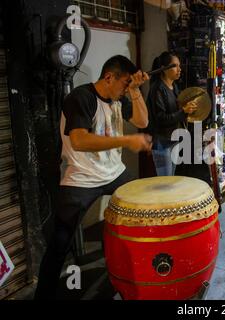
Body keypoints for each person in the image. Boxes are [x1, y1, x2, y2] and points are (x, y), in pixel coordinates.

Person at [34, 55, 152, 299]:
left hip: (114, 172)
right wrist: (126, 140)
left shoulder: (120, 97)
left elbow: (142, 120)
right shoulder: (81, 98)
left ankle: (136, 268)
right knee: (60, 242)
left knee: (146, 205)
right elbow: (79, 140)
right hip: (81, 178)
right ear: (109, 77)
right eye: (124, 83)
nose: (125, 89)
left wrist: (135, 90)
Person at [146, 51, 197, 176]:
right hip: (162, 143)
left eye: (179, 65)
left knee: (171, 179)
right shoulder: (157, 89)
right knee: (165, 183)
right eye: (175, 66)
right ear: (164, 69)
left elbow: (176, 112)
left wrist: (187, 109)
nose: (179, 69)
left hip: (173, 140)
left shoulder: (174, 87)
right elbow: (161, 119)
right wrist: (183, 111)